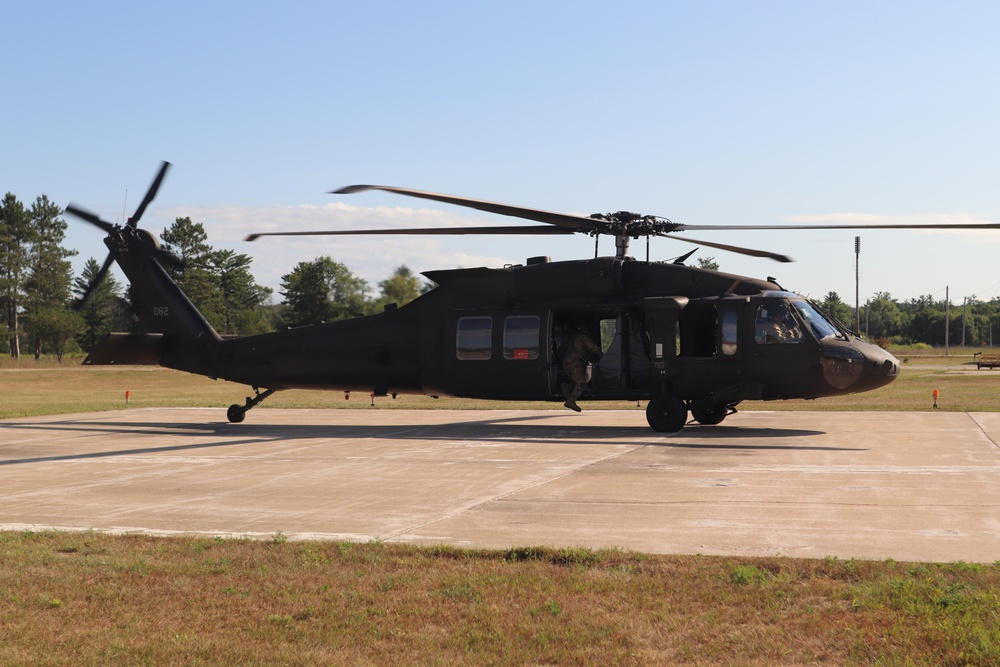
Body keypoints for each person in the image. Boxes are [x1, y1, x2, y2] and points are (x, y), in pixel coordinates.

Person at [559, 330, 603, 412]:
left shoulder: (571, 339)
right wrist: (603, 357)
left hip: (566, 362)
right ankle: (571, 400)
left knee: (576, 383)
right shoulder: (583, 338)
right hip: (575, 363)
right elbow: (593, 348)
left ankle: (567, 386)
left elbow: (561, 349)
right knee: (582, 384)